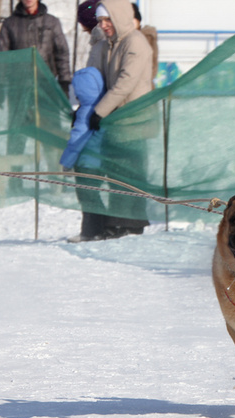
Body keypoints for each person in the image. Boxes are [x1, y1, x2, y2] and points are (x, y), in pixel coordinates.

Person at [70, 0, 153, 242]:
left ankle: (128, 223)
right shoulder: (109, 43)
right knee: (115, 173)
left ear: (119, 17)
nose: (103, 25)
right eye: (100, 21)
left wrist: (99, 112)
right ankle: (113, 222)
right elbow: (96, 78)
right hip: (114, 121)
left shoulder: (135, 42)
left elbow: (125, 83)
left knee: (128, 174)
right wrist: (85, 108)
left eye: (108, 20)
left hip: (132, 121)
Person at [0, 0, 71, 181]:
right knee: (17, 134)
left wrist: (64, 81)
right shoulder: (10, 23)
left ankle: (56, 178)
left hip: (46, 88)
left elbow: (62, 53)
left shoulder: (51, 22)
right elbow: (1, 56)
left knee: (51, 133)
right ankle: (16, 179)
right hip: (19, 88)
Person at [132, 2, 158, 85]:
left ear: (138, 20)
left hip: (143, 86)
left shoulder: (147, 37)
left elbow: (152, 66)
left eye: (132, 18)